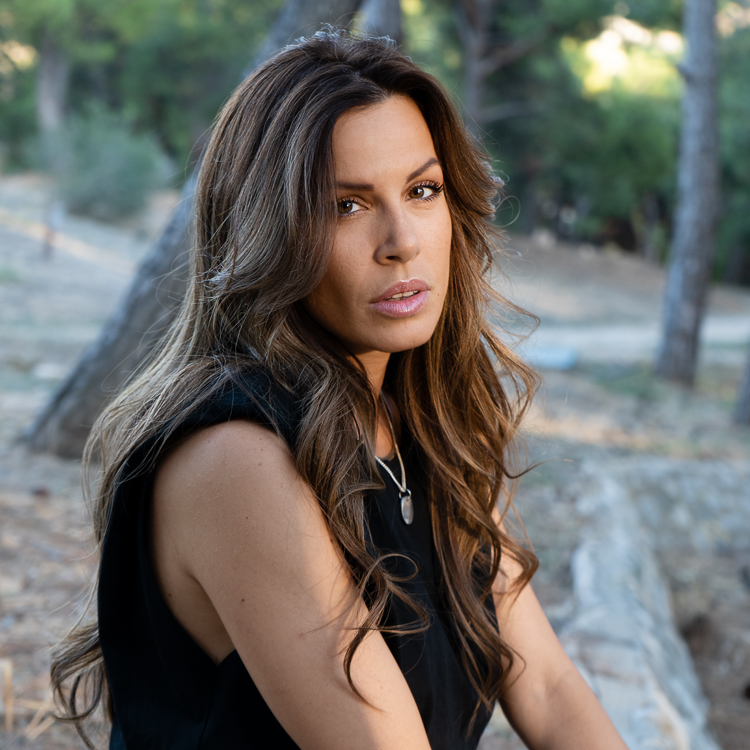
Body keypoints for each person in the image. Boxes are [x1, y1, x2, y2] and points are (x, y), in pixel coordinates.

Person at [51, 29, 628, 750]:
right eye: (346, 206)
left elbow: (547, 687)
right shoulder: (234, 457)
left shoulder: (424, 428)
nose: (402, 241)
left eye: (422, 191)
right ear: (267, 235)